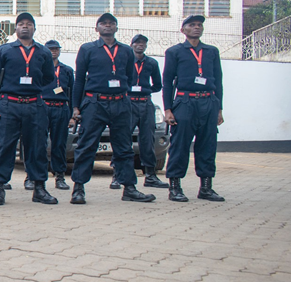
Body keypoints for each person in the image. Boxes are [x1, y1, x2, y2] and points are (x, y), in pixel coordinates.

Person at [69, 13, 156, 204]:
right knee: (86, 146)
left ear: (116, 28)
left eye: (111, 23)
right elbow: (80, 80)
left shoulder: (126, 50)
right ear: (97, 28)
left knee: (124, 147)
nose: (108, 26)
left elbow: (130, 77)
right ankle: (78, 189)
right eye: (103, 23)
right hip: (95, 103)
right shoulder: (87, 49)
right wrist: (76, 107)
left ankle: (129, 188)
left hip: (120, 103)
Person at [0, 13, 57, 205]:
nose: (25, 27)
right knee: (4, 147)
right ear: (16, 29)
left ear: (34, 28)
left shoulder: (43, 52)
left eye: (29, 24)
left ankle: (39, 189)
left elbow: (49, 77)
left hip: (34, 104)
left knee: (37, 148)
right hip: (9, 105)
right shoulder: (5, 51)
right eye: (21, 24)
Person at [163, 15, 225, 202]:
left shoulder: (211, 51)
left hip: (208, 102)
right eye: (192, 25)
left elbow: (218, 81)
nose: (197, 28)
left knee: (207, 145)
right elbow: (167, 82)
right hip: (185, 102)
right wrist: (168, 109)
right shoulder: (175, 52)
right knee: (180, 145)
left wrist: (219, 108)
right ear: (183, 30)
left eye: (199, 25)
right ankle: (175, 187)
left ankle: (206, 188)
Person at [120, 34, 167, 189]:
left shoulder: (151, 63)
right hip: (129, 102)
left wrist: (145, 91)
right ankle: (117, 175)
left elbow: (158, 85)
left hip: (146, 103)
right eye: (137, 43)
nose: (140, 45)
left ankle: (150, 175)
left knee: (147, 140)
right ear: (132, 44)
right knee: (123, 139)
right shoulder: (126, 61)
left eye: (143, 43)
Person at [41, 39, 74, 190]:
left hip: (61, 108)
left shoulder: (66, 70)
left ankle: (59, 176)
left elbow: (72, 92)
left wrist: (74, 114)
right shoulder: (39, 68)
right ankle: (33, 176)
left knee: (59, 144)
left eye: (56, 49)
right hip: (43, 107)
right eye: (50, 49)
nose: (53, 51)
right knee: (38, 143)